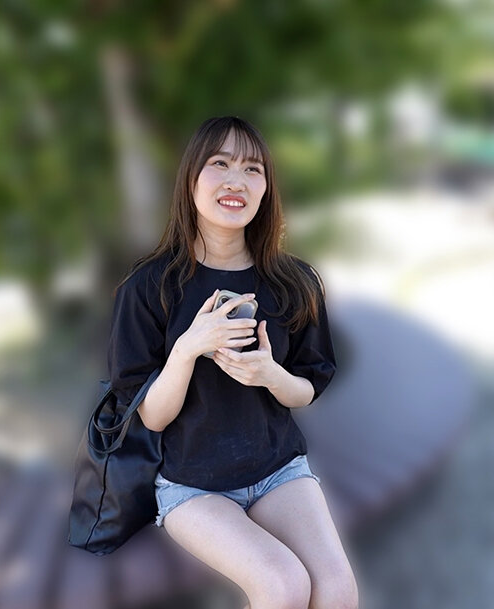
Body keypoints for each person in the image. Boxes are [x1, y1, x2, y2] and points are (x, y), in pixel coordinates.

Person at [107, 116, 358, 609]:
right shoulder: (149, 287)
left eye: (252, 169)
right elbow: (152, 417)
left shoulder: (295, 282)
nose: (236, 181)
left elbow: (308, 387)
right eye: (219, 164)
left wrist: (270, 374)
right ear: (191, 180)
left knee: (336, 591)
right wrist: (187, 348)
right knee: (283, 586)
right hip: (191, 484)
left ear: (266, 188)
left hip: (278, 469)